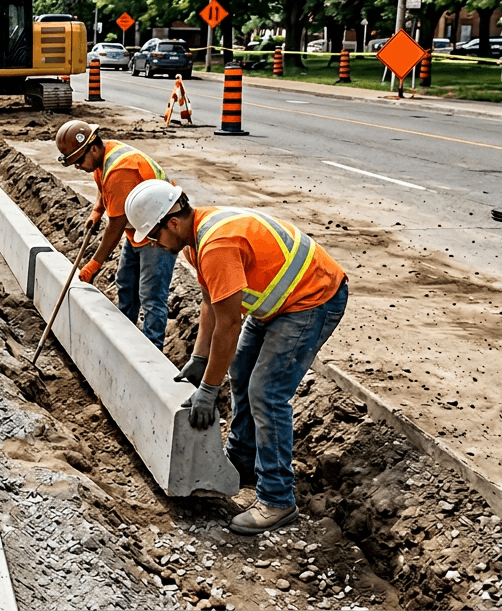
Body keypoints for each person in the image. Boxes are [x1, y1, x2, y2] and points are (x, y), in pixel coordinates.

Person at [125, 180, 348, 534]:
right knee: (242, 371)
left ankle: (277, 500)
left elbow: (229, 323)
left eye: (152, 236)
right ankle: (243, 460)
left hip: (312, 298)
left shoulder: (216, 245)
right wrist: (200, 358)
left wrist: (209, 390)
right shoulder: (194, 240)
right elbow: (210, 305)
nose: (152, 245)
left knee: (266, 391)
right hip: (279, 302)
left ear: (172, 223)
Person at [57, 120, 177, 351]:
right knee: (126, 283)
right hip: (141, 227)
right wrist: (97, 210)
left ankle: (151, 353)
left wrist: (94, 264)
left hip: (160, 233)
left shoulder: (121, 169)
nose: (78, 166)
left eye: (79, 160)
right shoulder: (104, 157)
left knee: (151, 297)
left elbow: (116, 226)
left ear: (93, 147)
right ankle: (125, 339)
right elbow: (105, 188)